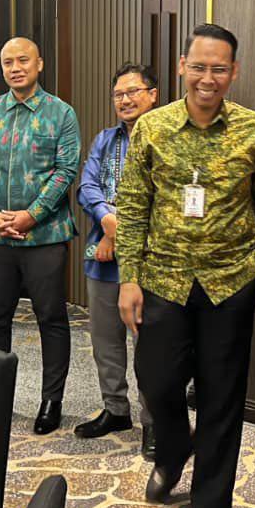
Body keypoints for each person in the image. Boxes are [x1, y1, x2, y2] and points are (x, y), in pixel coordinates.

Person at [117, 22, 255, 508]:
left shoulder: (254, 129)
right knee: (156, 379)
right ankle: (173, 451)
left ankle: (210, 507)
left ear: (233, 72)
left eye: (219, 68)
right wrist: (128, 277)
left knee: (221, 396)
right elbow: (132, 204)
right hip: (163, 279)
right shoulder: (152, 127)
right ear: (181, 68)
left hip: (230, 281)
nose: (207, 78)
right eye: (198, 67)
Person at [0, 37, 80, 435]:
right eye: (8, 62)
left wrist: (32, 215)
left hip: (44, 235)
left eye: (23, 60)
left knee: (51, 318)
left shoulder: (61, 113)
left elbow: (66, 171)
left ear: (39, 64)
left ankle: (51, 401)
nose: (15, 68)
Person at [75, 62, 159, 457]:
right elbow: (87, 186)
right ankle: (115, 409)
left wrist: (115, 232)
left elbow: (161, 197)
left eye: (133, 92)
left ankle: (154, 422)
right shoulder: (105, 140)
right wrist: (107, 222)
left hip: (150, 261)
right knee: (105, 341)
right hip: (103, 258)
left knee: (150, 346)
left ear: (153, 95)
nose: (125, 100)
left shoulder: (166, 136)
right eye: (118, 94)